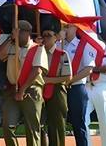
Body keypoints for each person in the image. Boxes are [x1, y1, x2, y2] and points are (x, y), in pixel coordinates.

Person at [0, 19, 46, 146]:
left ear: (27, 33)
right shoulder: (12, 46)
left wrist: (22, 90)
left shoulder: (37, 48)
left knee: (32, 129)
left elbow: (36, 70)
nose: (15, 33)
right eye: (14, 31)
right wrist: (9, 39)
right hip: (13, 90)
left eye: (18, 31)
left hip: (31, 90)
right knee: (8, 126)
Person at [62, 23, 97, 146]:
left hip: (76, 87)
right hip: (59, 88)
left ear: (76, 28)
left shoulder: (83, 45)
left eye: (68, 26)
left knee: (78, 124)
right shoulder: (59, 44)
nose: (65, 29)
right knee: (58, 123)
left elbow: (88, 69)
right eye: (64, 26)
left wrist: (70, 80)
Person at [39, 17, 70, 146]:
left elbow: (67, 77)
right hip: (40, 91)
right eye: (44, 35)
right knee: (39, 126)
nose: (45, 38)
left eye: (49, 35)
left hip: (57, 92)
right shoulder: (38, 53)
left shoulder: (62, 55)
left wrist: (48, 80)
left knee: (56, 127)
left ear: (56, 37)